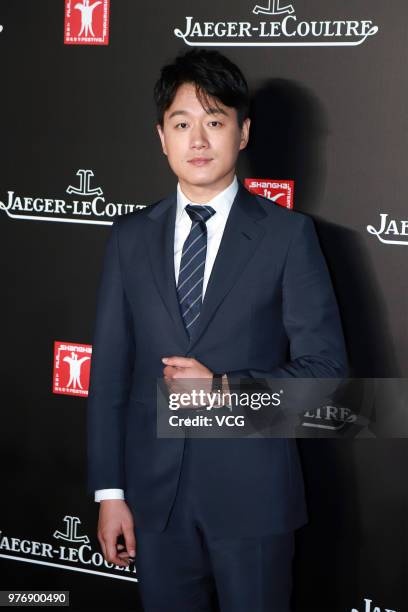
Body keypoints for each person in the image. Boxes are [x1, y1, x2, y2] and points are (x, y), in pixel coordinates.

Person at [87, 49, 348, 611]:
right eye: (182, 124)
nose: (198, 140)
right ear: (161, 136)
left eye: (215, 121)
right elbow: (107, 375)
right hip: (154, 504)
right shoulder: (129, 237)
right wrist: (110, 493)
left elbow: (327, 380)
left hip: (254, 500)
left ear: (243, 132)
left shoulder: (288, 236)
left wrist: (225, 391)